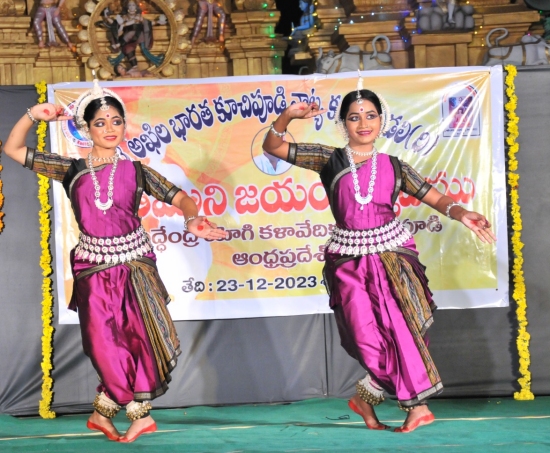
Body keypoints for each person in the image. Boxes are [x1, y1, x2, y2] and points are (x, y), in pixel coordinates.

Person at [262, 77, 496, 433]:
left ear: (381, 121)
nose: (364, 123)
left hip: (393, 258)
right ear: (343, 125)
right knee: (367, 339)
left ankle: (414, 406)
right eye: (354, 117)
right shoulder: (330, 159)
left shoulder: (394, 165)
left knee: (402, 331)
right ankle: (366, 396)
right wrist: (286, 118)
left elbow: (434, 197)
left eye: (371, 115)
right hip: (349, 263)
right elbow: (275, 147)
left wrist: (461, 213)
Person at [2, 78, 227, 442]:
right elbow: (13, 149)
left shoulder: (136, 171)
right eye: (100, 123)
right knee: (100, 343)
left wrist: (191, 218)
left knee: (140, 337)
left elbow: (180, 197)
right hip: (93, 268)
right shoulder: (71, 169)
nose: (110, 129)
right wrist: (33, 115)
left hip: (135, 265)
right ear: (86, 129)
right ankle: (104, 411)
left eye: (116, 121)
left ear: (125, 125)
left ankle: (139, 414)